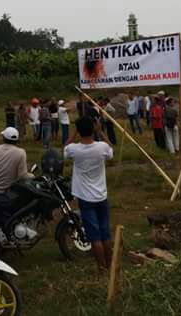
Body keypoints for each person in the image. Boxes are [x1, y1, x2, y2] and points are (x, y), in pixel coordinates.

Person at [64, 116, 114, 272]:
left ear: (79, 131)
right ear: (93, 129)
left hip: (85, 198)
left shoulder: (75, 149)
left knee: (94, 236)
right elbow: (111, 149)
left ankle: (101, 268)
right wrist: (101, 132)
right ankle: (111, 264)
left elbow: (65, 148)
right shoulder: (101, 147)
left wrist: (74, 133)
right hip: (102, 196)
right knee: (105, 233)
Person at [0, 127, 31, 202]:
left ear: (3, 138)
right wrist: (32, 176)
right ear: (17, 140)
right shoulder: (21, 153)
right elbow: (22, 176)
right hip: (6, 194)